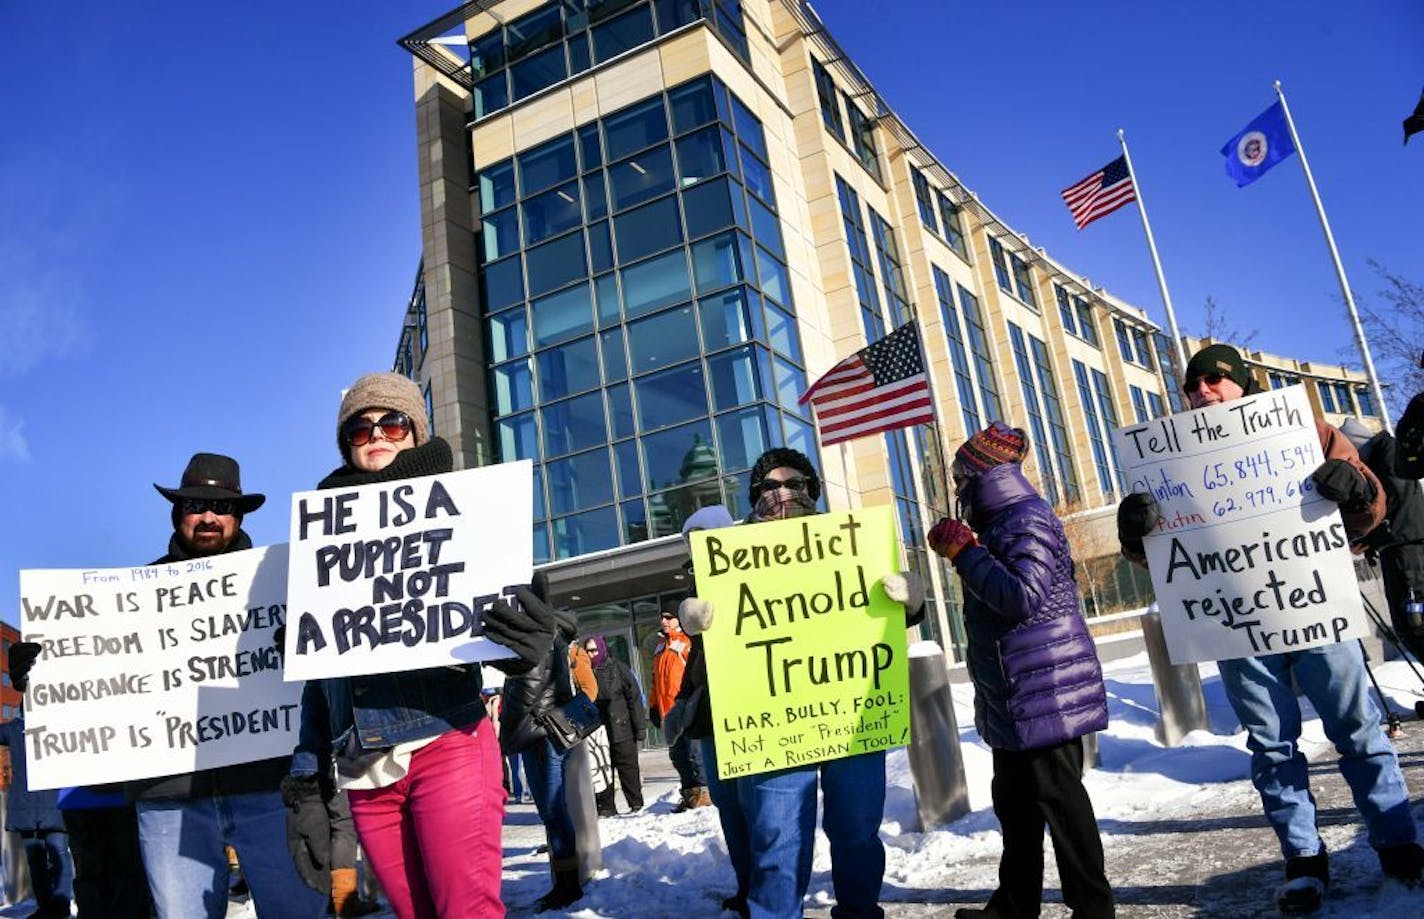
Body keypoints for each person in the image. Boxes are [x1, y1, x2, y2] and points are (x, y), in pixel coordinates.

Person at [1117, 343, 1424, 912]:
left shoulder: (1302, 431)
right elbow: (1157, 555)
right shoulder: (1167, 461)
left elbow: (1371, 507)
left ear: (1243, 384)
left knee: (1358, 728)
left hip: (1313, 610)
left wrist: (1354, 488)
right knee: (1271, 744)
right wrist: (1136, 531)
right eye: (1193, 385)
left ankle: (1396, 839)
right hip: (1236, 628)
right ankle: (1303, 857)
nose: (1203, 390)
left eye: (1216, 379)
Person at [287, 372, 554, 919]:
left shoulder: (469, 514)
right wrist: (306, 774)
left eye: (392, 422)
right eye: (360, 429)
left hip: (446, 740)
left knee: (466, 911)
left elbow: (493, 634)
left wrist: (525, 644)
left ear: (415, 431)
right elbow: (320, 680)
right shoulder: (322, 540)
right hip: (363, 767)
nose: (377, 435)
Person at [680, 447, 924, 919]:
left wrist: (911, 598)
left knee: (856, 827)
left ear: (813, 488)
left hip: (852, 715)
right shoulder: (730, 554)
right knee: (778, 837)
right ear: (755, 495)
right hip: (774, 722)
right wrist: (698, 614)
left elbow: (889, 610)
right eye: (771, 487)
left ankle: (859, 910)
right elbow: (722, 636)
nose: (784, 494)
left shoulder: (851, 542)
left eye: (795, 483)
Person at [124, 452, 329, 919]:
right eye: (196, 505)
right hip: (171, 796)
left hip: (269, 784)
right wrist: (40, 670)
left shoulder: (280, 583)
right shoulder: (131, 595)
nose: (209, 517)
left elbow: (330, 667)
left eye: (222, 507)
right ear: (178, 514)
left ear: (238, 516)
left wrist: (301, 642)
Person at [927, 422, 1114, 919]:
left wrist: (965, 553)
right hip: (1015, 693)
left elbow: (1021, 597)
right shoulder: (1000, 523)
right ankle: (1014, 904)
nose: (956, 488)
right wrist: (972, 548)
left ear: (983, 475)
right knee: (1015, 805)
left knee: (1060, 801)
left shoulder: (1024, 518)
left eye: (960, 477)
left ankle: (1093, 907)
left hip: (1044, 688)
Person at [500, 607, 594, 912]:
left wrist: (509, 728)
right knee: (555, 810)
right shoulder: (557, 639)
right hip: (549, 730)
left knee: (552, 810)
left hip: (539, 732)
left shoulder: (541, 639)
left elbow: (527, 689)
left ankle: (567, 886)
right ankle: (566, 882)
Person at [1340, 417, 1424, 660]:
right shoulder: (1385, 455)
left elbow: (1398, 505)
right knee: (1409, 623)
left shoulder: (1387, 456)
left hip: (1407, 551)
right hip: (1401, 549)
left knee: (1414, 622)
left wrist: (1369, 536)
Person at [0, 643, 73, 918]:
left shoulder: (59, 725)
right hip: (28, 808)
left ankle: (61, 905)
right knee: (36, 862)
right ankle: (47, 907)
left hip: (54, 804)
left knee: (59, 856)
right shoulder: (13, 730)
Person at [650, 606, 708, 812]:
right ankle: (690, 794)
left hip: (687, 711)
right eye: (662, 618)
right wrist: (653, 706)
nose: (664, 621)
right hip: (668, 713)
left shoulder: (686, 643)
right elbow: (655, 682)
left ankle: (704, 796)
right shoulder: (659, 648)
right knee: (678, 757)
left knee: (695, 755)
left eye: (668, 617)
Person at [585, 635, 647, 816]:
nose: (591, 654)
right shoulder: (585, 672)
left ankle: (636, 803)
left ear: (602, 649)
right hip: (598, 731)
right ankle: (606, 807)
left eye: (594, 650)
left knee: (628, 767)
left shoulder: (618, 669)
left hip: (622, 727)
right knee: (603, 768)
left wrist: (640, 726)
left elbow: (634, 698)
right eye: (588, 650)